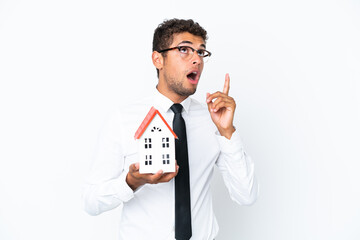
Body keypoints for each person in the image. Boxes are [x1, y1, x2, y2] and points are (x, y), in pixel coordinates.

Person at [83, 18, 259, 240]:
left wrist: (227, 132)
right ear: (158, 59)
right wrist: (132, 182)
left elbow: (246, 195)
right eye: (184, 49)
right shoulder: (123, 119)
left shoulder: (212, 119)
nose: (197, 59)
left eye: (201, 52)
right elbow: (91, 201)